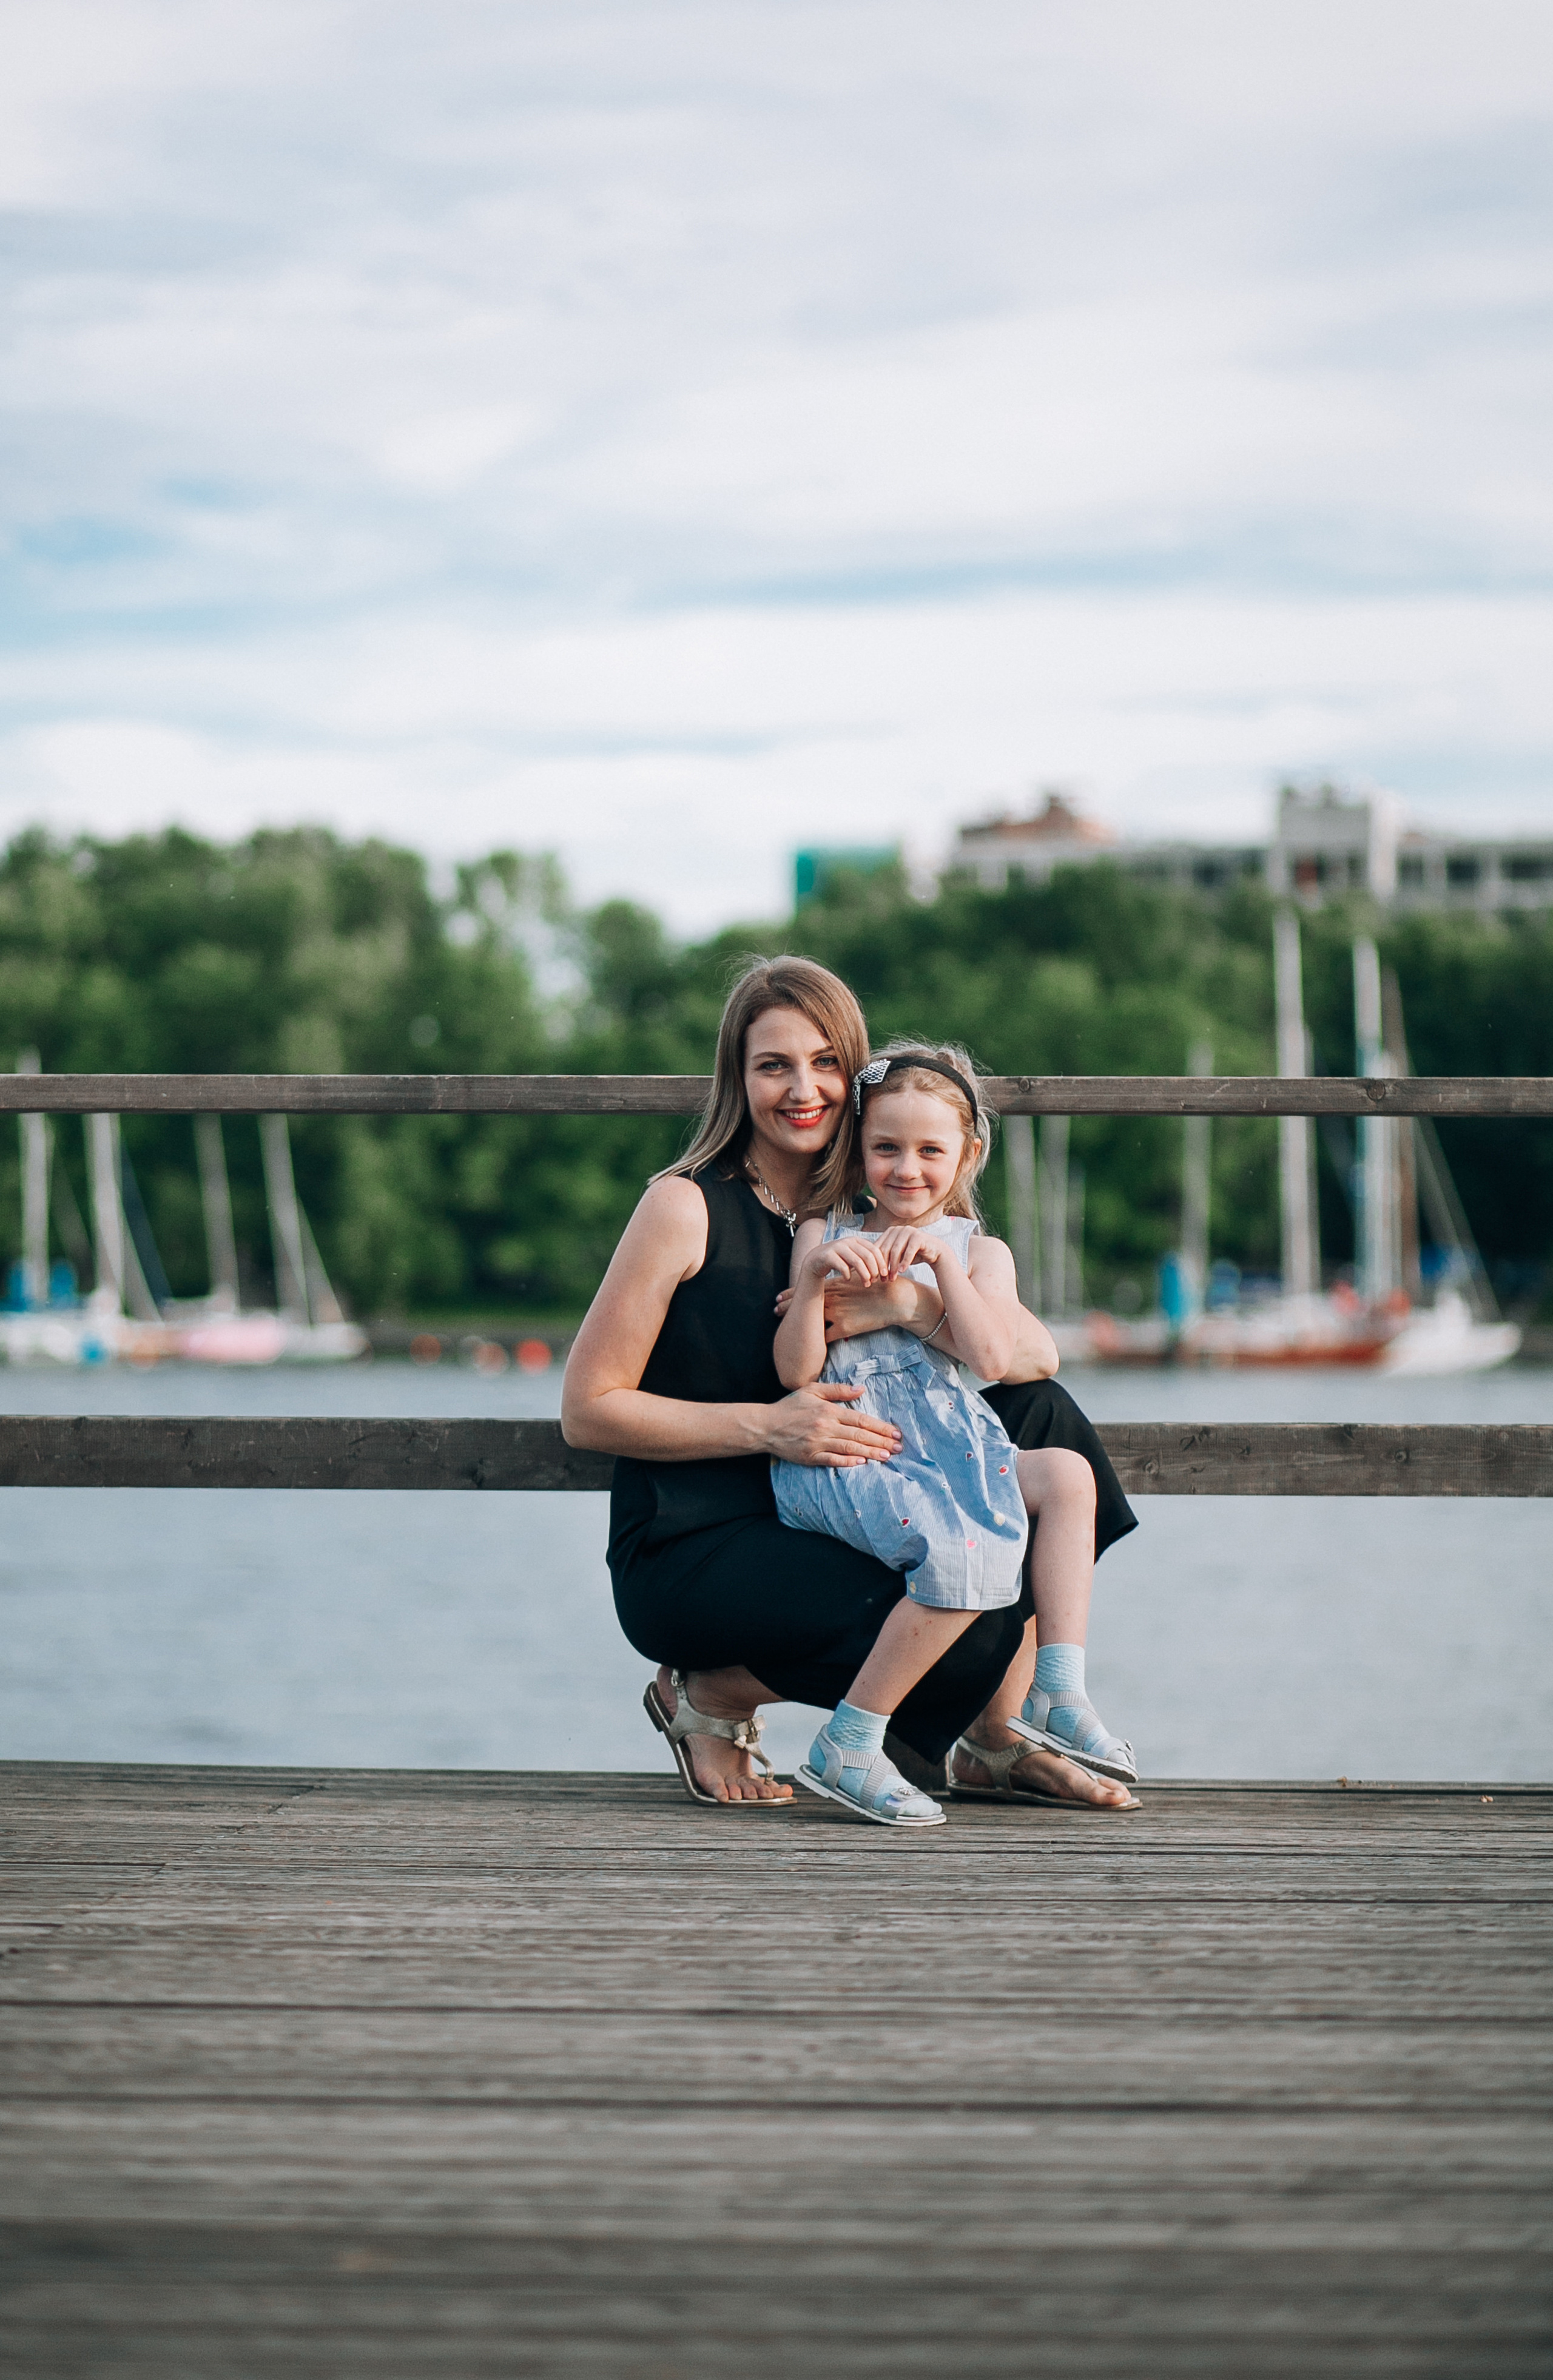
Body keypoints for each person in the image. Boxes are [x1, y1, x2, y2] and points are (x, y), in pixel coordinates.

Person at [561, 954, 1139, 1812]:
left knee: (1046, 1425)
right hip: (701, 1535)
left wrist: (903, 1306)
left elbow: (1033, 1359)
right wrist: (769, 1427)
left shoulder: (883, 1209)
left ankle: (995, 1738)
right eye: (773, 1065)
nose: (804, 1087)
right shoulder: (685, 1207)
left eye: (826, 1062)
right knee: (967, 1609)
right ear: (737, 1077)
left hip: (841, 1494)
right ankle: (710, 1694)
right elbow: (586, 1409)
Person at [769, 1042, 1136, 1826]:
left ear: (966, 1155)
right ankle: (851, 1740)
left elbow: (998, 1358)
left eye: (931, 1150)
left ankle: (1058, 1688)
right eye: (887, 1148)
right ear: (859, 1149)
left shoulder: (980, 1251)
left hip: (950, 1445)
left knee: (1068, 1475)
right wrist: (811, 1284)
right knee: (970, 1553)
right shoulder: (824, 1230)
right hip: (854, 1450)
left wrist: (937, 1264)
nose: (908, 1169)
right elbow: (795, 1372)